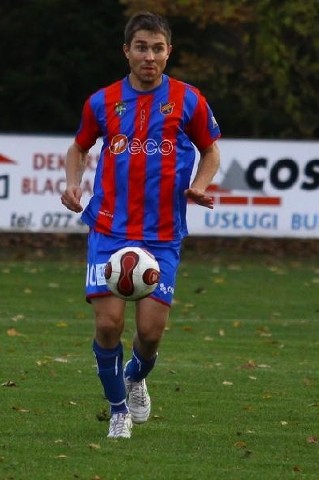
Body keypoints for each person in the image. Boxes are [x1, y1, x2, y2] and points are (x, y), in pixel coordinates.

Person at [61, 11, 221, 439]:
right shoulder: (103, 101)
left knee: (150, 334)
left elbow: (211, 151)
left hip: (164, 233)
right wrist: (73, 185)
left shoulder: (188, 100)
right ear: (126, 51)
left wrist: (199, 186)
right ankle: (117, 411)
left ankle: (135, 377)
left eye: (157, 48)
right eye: (141, 47)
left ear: (168, 52)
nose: (149, 56)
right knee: (108, 324)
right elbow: (77, 148)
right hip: (110, 228)